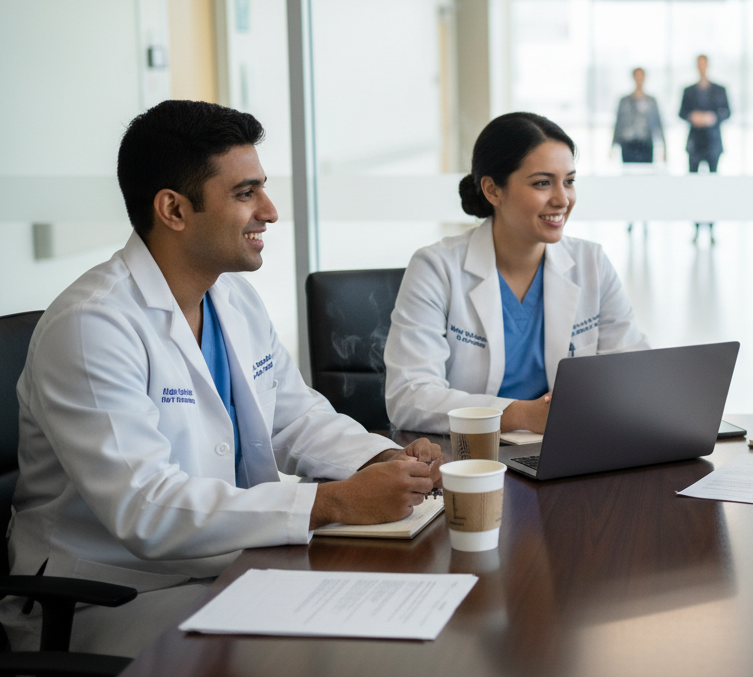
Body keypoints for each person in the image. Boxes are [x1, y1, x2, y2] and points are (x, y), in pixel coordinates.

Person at [2, 100, 444, 658]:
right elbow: (147, 508)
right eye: (245, 193)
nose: (271, 210)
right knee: (320, 649)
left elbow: (295, 414)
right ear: (174, 210)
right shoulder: (91, 327)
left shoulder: (230, 295)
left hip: (231, 565)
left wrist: (379, 461)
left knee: (386, 620)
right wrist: (331, 503)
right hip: (110, 594)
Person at [384, 112, 649, 436]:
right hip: (471, 457)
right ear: (493, 191)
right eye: (542, 183)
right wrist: (523, 415)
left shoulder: (590, 263)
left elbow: (633, 374)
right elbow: (409, 397)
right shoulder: (437, 268)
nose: (562, 199)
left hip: (566, 449)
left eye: (569, 181)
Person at [678, 54, 731, 243]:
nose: (702, 67)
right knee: (694, 187)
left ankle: (712, 227)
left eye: (704, 64)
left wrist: (712, 118)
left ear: (708, 66)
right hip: (694, 144)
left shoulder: (719, 89)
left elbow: (727, 112)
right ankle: (695, 227)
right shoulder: (688, 90)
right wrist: (693, 116)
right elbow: (681, 112)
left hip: (713, 143)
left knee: (712, 186)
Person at [612, 67, 665, 165]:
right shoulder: (624, 101)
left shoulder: (651, 101)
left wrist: (664, 147)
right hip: (628, 143)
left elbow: (658, 124)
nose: (639, 79)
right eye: (637, 76)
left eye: (641, 76)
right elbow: (618, 123)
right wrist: (613, 145)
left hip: (646, 143)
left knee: (646, 174)